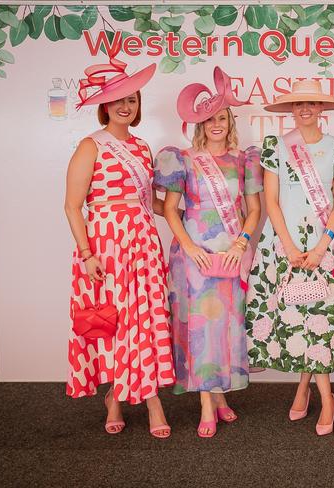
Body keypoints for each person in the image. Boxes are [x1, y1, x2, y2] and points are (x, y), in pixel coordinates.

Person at [64, 54, 174, 438]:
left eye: (132, 98)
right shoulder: (90, 146)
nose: (126, 106)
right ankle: (115, 395)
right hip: (106, 245)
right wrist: (87, 254)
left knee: (146, 317)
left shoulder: (144, 148)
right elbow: (73, 206)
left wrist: (190, 215)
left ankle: (151, 398)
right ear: (104, 105)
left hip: (143, 240)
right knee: (117, 322)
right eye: (118, 100)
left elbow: (153, 204)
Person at [154, 67, 262, 438]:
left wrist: (241, 243)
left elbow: (254, 211)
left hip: (231, 253)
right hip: (194, 255)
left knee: (225, 327)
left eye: (222, 117)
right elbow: (170, 209)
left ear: (229, 120)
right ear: (199, 122)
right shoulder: (182, 158)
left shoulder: (244, 159)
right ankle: (205, 403)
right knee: (200, 329)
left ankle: (218, 395)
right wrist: (189, 248)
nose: (216, 124)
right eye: (209, 118)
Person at [245, 80, 334, 436]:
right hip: (284, 244)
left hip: (326, 244)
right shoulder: (275, 146)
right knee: (296, 314)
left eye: (311, 103)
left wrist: (322, 245)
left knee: (320, 320)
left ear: (321, 108)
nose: (305, 109)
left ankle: (320, 395)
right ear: (291, 110)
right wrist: (290, 247)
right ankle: (314, 391)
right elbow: (271, 201)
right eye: (298, 104)